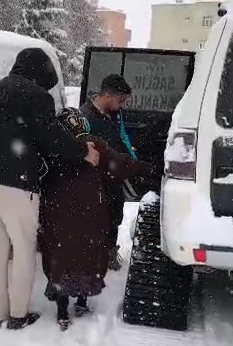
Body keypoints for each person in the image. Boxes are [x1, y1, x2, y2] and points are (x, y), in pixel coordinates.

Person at [0, 47, 100, 331]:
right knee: (24, 249)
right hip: (16, 184)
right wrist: (82, 150)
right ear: (41, 73)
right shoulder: (36, 96)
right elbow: (50, 137)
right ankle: (18, 315)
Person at [39, 107, 151, 331]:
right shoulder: (95, 146)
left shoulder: (53, 148)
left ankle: (62, 308)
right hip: (91, 214)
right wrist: (147, 169)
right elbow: (119, 165)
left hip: (57, 214)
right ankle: (81, 301)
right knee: (87, 256)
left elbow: (40, 175)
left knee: (60, 257)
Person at [80, 74, 136, 271]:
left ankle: (109, 251)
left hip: (113, 177)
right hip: (93, 179)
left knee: (115, 214)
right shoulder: (84, 117)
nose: (122, 106)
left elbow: (122, 137)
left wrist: (130, 160)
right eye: (120, 101)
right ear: (108, 95)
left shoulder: (115, 114)